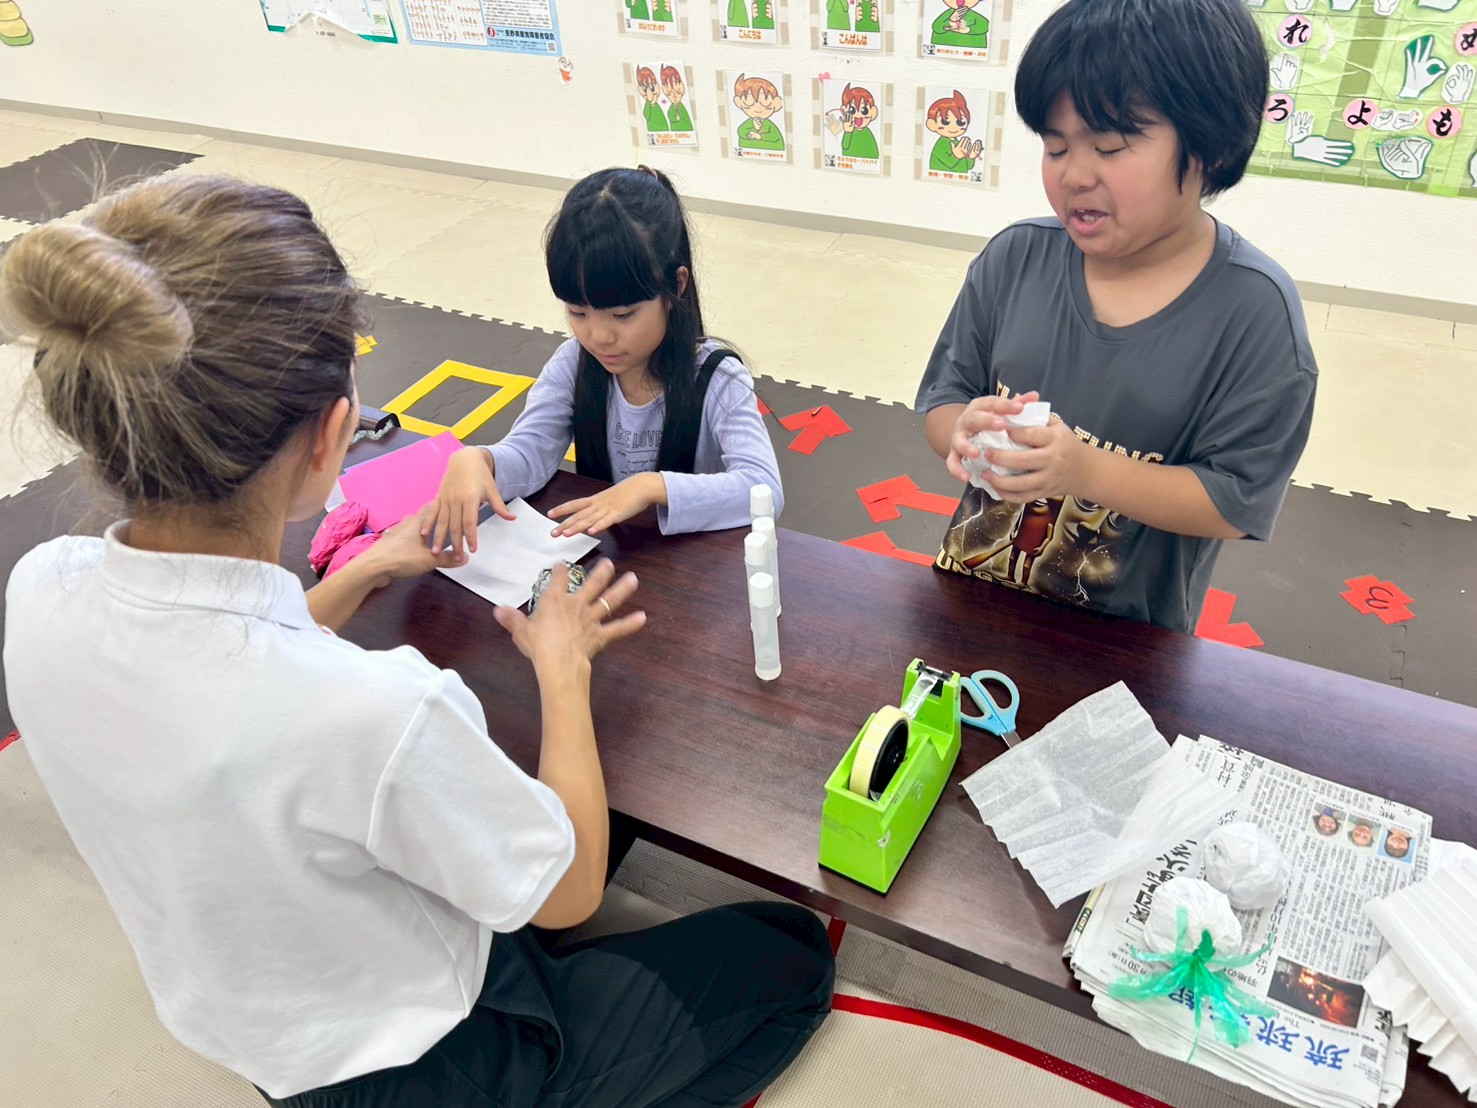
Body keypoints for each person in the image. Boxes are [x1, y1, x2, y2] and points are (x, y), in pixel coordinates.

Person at [0, 174, 832, 1107]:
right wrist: (562, 669)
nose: (598, 334)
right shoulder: (379, 710)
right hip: (436, 1060)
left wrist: (361, 570)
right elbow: (571, 892)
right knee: (791, 953)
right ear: (332, 434)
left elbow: (232, 662)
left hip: (254, 1031)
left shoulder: (39, 585)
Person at [915, 0, 1318, 633]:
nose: (1074, 175)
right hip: (972, 597)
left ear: (1209, 147)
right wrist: (962, 433)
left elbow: (1235, 502)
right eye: (1055, 147)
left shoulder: (1254, 314)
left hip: (1127, 643)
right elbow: (944, 401)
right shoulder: (1015, 258)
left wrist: (1085, 470)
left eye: (1108, 146)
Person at [432, 166, 783, 553]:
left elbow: (764, 489)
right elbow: (531, 451)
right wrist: (482, 460)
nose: (599, 337)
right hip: (611, 555)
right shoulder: (573, 363)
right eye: (578, 313)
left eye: (623, 314)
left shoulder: (716, 377)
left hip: (695, 561)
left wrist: (651, 486)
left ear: (677, 285)